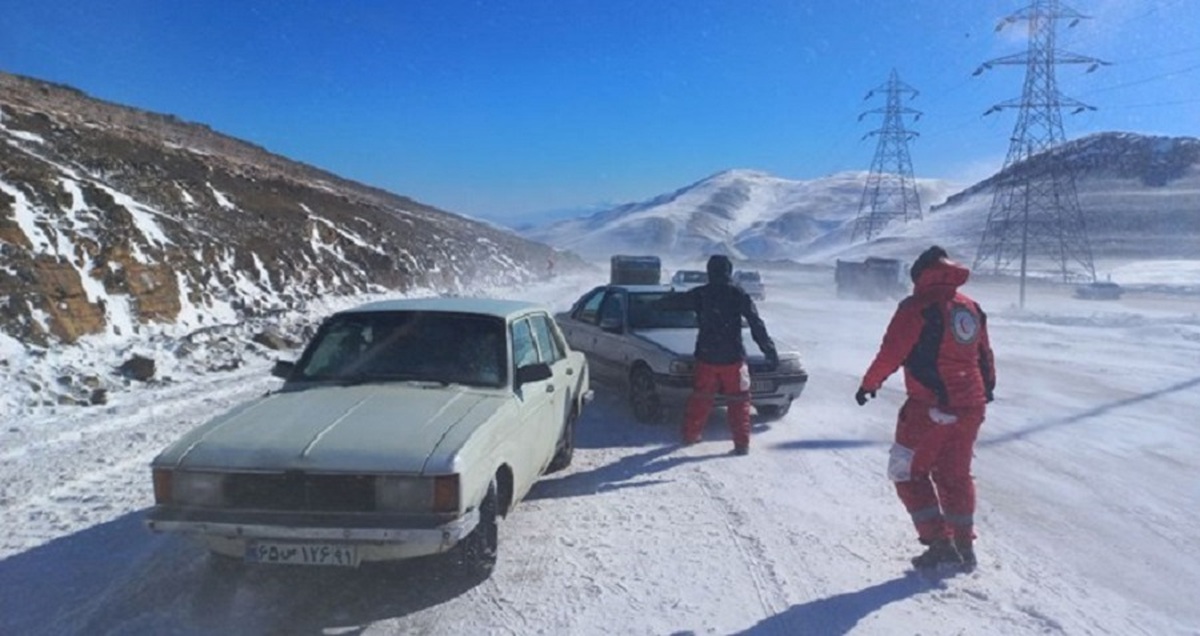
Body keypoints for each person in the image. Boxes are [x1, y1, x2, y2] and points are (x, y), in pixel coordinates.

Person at [855, 245, 995, 571]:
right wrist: (983, 394)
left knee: (905, 471)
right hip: (970, 407)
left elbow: (892, 351)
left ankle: (938, 542)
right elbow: (985, 356)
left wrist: (869, 384)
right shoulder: (970, 307)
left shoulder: (917, 307)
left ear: (920, 274)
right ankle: (964, 545)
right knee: (955, 475)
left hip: (930, 407)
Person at [658, 254, 779, 455]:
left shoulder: (701, 294)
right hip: (734, 359)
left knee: (701, 398)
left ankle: (691, 435)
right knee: (739, 401)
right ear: (729, 272)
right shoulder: (738, 294)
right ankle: (741, 444)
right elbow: (756, 324)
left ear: (709, 271)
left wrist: (656, 303)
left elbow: (672, 303)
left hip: (707, 358)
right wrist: (769, 350)